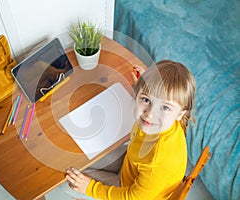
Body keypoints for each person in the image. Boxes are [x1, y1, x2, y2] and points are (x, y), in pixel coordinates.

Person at [65, 60, 196, 199]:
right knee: (76, 158)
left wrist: (90, 188)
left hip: (128, 190)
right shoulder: (171, 120)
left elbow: (132, 197)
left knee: (66, 181)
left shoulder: (158, 161)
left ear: (181, 113)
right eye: (146, 100)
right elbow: (159, 97)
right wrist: (145, 83)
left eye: (165, 107)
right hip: (130, 165)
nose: (150, 114)